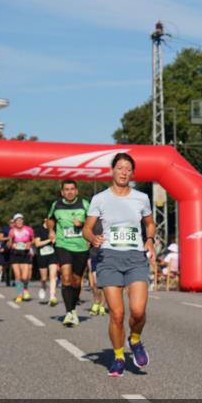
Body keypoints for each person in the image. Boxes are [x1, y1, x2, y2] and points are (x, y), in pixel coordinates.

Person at [83, 154, 156, 378]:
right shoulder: (100, 199)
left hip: (135, 257)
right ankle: (118, 357)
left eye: (128, 169)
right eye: (120, 168)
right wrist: (92, 239)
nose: (124, 172)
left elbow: (150, 224)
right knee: (116, 314)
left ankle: (134, 340)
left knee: (138, 310)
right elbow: (87, 228)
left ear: (132, 173)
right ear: (112, 171)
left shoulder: (141, 198)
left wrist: (150, 239)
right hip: (109, 258)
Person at [47, 179, 91, 327]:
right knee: (66, 276)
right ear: (62, 192)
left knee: (76, 281)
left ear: (76, 191)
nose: (70, 192)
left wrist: (83, 224)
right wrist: (51, 231)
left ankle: (73, 308)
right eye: (66, 189)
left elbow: (95, 222)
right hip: (63, 244)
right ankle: (69, 312)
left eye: (72, 189)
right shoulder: (56, 205)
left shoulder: (85, 204)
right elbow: (50, 219)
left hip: (81, 247)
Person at [7, 213, 34, 302]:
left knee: (25, 277)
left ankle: (25, 289)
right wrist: (11, 245)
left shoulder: (28, 229)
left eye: (21, 220)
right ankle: (19, 294)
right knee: (18, 276)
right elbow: (9, 243)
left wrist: (30, 244)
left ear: (23, 221)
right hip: (15, 254)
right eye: (17, 220)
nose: (19, 222)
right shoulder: (12, 231)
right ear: (14, 222)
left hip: (25, 254)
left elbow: (33, 240)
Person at [33, 215, 59, 306]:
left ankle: (52, 296)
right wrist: (49, 240)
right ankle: (43, 286)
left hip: (53, 255)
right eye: (50, 220)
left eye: (53, 221)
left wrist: (55, 240)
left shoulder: (54, 229)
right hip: (42, 256)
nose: (52, 223)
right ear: (45, 220)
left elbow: (56, 241)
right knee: (44, 278)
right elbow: (37, 244)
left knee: (53, 276)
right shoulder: (38, 230)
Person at [87, 219, 107, 317]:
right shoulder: (92, 220)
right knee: (94, 283)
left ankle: (102, 306)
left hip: (106, 254)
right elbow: (86, 233)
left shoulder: (109, 220)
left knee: (103, 283)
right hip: (93, 253)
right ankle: (96, 302)